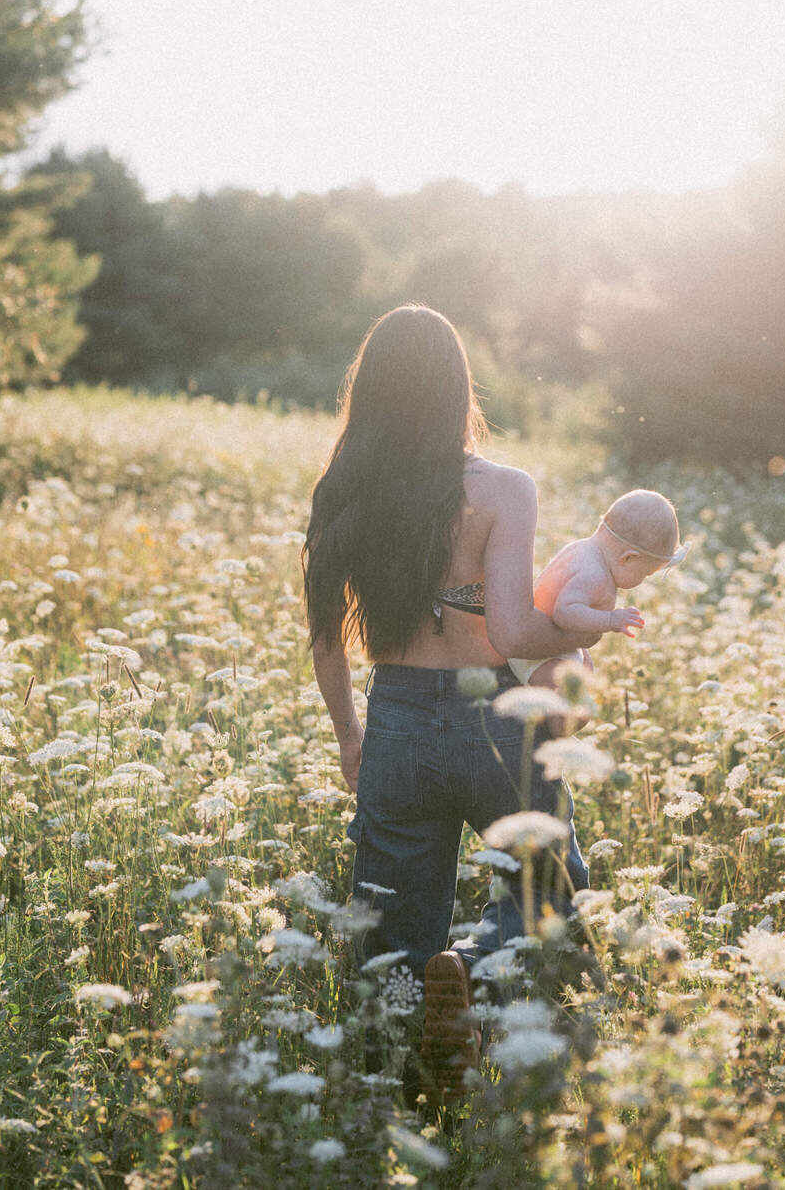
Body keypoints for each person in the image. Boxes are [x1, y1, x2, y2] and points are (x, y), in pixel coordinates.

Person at [303, 304, 591, 1101]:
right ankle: (469, 977)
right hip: (491, 722)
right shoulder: (503, 489)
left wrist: (350, 739)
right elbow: (509, 629)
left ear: (372, 392)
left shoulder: (344, 490)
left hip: (393, 718)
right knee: (546, 890)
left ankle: (406, 1094)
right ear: (458, 386)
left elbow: (327, 640)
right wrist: (578, 629)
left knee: (390, 932)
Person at [507, 488, 686, 687]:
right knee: (563, 700)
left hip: (548, 642)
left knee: (583, 674)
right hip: (538, 652)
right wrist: (610, 619)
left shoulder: (582, 548)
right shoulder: (595, 575)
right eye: (645, 574)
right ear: (628, 557)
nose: (642, 581)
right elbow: (564, 612)